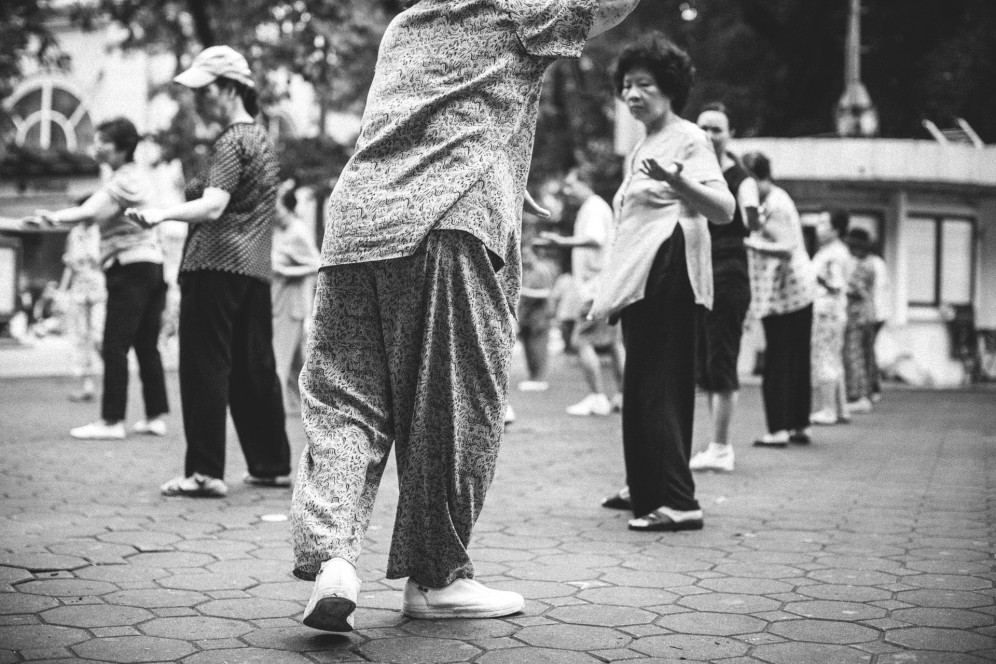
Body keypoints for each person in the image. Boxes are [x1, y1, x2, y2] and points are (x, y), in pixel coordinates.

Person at [290, 0, 643, 632]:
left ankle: (333, 559)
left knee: (345, 401)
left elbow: (441, 114)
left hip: (355, 222)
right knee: (454, 407)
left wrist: (511, 180)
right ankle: (437, 579)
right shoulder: (510, 9)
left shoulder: (406, 25)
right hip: (445, 221)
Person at [125, 45, 291, 497]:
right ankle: (272, 463)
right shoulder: (263, 141)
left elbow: (214, 205)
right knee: (254, 368)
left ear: (231, 88)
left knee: (204, 367)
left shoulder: (232, 140)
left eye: (205, 89)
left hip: (213, 265)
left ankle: (203, 472)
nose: (198, 99)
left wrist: (161, 214)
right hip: (254, 269)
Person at [590, 34, 734, 532]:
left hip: (671, 266)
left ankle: (680, 500)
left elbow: (724, 209)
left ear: (669, 87)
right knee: (641, 383)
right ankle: (647, 489)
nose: (632, 94)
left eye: (644, 85)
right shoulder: (642, 145)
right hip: (641, 273)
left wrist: (678, 182)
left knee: (662, 385)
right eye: (627, 85)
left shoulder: (690, 138)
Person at [23, 117, 170, 441]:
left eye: (102, 140)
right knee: (146, 344)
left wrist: (52, 217)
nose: (96, 144)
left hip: (130, 268)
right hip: (150, 266)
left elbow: (90, 212)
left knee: (114, 344)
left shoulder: (126, 178)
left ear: (119, 147)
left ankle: (112, 421)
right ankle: (155, 416)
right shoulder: (134, 176)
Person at [688, 102, 758, 473]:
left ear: (730, 134)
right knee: (708, 362)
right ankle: (716, 444)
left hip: (729, 274)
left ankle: (722, 447)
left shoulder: (740, 177)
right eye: (704, 128)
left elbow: (749, 210)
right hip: (700, 272)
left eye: (717, 128)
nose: (710, 135)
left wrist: (753, 215)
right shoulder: (694, 170)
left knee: (722, 361)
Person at [743, 151, 816, 447]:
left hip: (786, 294)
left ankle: (778, 429)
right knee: (796, 359)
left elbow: (786, 246)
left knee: (777, 362)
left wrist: (748, 242)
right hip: (798, 291)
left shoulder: (772, 205)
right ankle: (799, 424)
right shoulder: (778, 199)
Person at [539, 168, 624, 416]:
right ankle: (623, 395)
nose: (566, 192)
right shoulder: (597, 207)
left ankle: (597, 397)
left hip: (595, 288)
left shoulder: (593, 208)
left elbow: (595, 239)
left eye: (570, 185)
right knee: (613, 343)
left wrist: (561, 242)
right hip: (606, 285)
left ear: (585, 184)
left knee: (581, 340)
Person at [271, 180, 321, 413]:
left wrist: (286, 271)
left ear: (287, 208)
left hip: (292, 306)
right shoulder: (280, 231)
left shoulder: (298, 231)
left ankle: (272, 408)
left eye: (277, 208)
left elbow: (317, 264)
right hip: (278, 302)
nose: (274, 213)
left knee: (278, 359)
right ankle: (304, 404)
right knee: (293, 364)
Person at [809, 210, 851, 425]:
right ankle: (840, 409)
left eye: (824, 222)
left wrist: (814, 277)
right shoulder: (835, 251)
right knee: (834, 359)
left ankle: (828, 409)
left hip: (827, 311)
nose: (819, 227)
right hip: (835, 311)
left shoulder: (832, 254)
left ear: (836, 229)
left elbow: (835, 284)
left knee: (824, 357)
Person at [60, 221, 106, 402]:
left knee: (98, 336)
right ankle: (87, 385)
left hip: (98, 289)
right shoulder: (74, 233)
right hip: (79, 290)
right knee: (81, 337)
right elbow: (69, 266)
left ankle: (111, 380)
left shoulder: (100, 231)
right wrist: (62, 291)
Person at [843, 227, 877, 413]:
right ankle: (864, 393)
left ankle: (860, 396)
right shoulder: (868, 262)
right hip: (866, 314)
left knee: (855, 355)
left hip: (858, 314)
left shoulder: (864, 265)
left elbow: (855, 289)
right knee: (864, 355)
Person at [517, 241, 558, 392]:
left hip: (540, 315)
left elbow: (547, 293)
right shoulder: (524, 270)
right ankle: (532, 377)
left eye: (527, 254)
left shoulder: (542, 270)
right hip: (527, 315)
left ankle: (539, 378)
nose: (524, 257)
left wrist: (522, 292)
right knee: (528, 348)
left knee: (538, 347)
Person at [868, 248, 890, 402]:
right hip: (880, 313)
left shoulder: (872, 264)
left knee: (867, 350)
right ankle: (874, 385)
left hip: (874, 313)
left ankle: (874, 386)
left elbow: (875, 291)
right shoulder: (880, 263)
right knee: (869, 349)